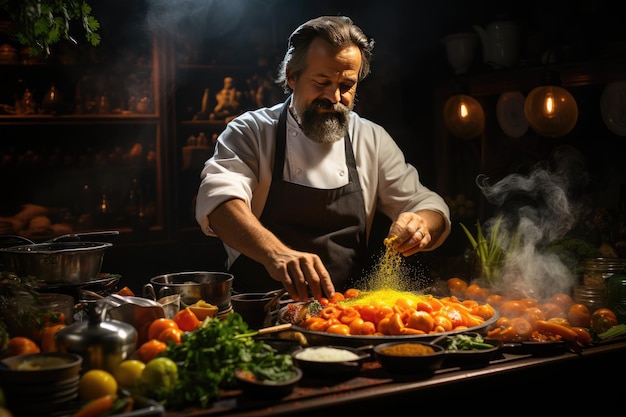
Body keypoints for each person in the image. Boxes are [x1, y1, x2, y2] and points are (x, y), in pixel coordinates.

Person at [195, 16, 451, 302]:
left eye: (347, 85)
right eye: (322, 82)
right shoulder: (251, 131)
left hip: (348, 318)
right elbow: (219, 204)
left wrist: (421, 224)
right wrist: (275, 253)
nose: (334, 96)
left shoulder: (371, 138)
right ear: (292, 76)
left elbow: (428, 205)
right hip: (261, 314)